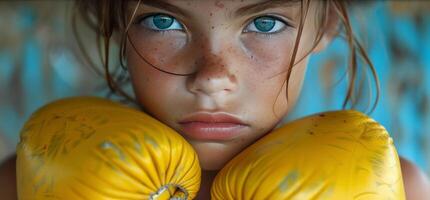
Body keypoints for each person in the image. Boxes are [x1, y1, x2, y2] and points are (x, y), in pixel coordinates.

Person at [1, 0, 430, 199]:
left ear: (326, 26)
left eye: (265, 23)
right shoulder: (24, 181)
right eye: (162, 20)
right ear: (112, 21)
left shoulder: (400, 188)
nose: (212, 78)